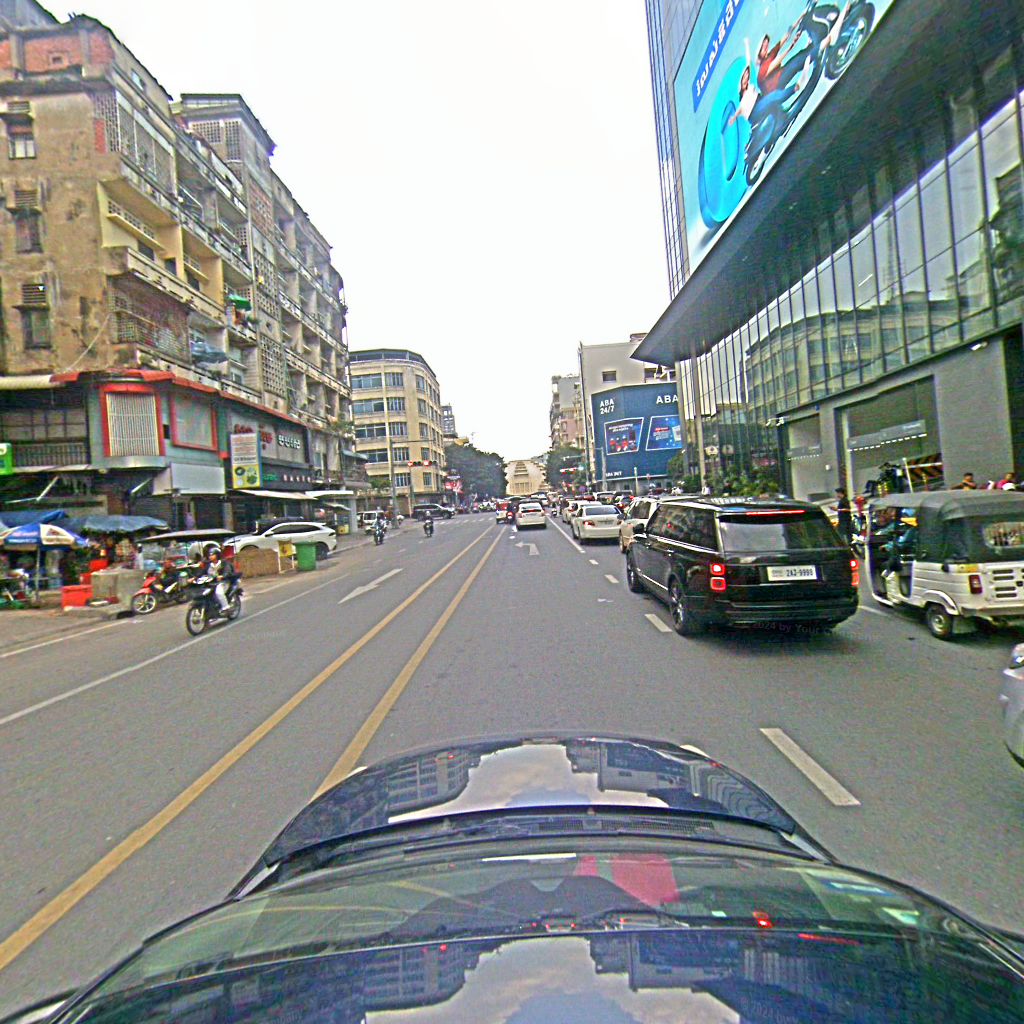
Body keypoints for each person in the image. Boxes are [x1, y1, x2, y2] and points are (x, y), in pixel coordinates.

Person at [203, 549, 232, 616]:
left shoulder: (223, 563)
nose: (210, 556)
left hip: (223, 582)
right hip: (211, 583)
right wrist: (194, 578)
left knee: (219, 592)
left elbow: (227, 571)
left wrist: (222, 576)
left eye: (212, 555)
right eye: (209, 555)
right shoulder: (208, 565)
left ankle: (226, 608)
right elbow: (202, 572)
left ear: (217, 555)